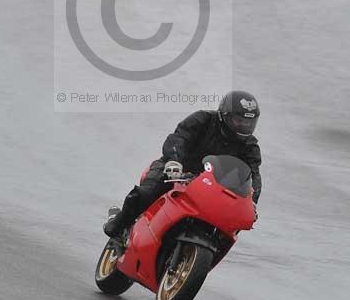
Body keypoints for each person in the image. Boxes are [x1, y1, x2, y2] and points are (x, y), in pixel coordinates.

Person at [103, 90, 262, 238]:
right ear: (224, 115)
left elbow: (252, 174)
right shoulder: (202, 120)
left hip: (212, 188)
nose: (244, 126)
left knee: (231, 223)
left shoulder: (250, 146)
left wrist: (251, 201)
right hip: (176, 171)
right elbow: (178, 138)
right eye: (239, 121)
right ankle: (116, 224)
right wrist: (174, 161)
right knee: (147, 193)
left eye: (248, 123)